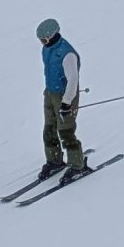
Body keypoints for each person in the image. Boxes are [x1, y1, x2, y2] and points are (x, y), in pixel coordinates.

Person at [36, 18, 88, 182]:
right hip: (50, 93)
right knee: (49, 128)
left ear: (53, 36)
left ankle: (77, 165)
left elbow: (72, 80)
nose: (43, 43)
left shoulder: (67, 54)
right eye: (40, 40)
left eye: (44, 40)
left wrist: (66, 103)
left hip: (66, 95)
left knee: (66, 130)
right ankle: (54, 160)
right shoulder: (46, 49)